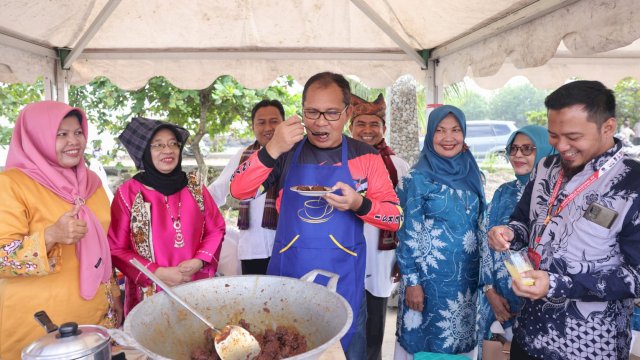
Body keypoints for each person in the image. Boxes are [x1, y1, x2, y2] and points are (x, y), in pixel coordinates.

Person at [229, 71, 402, 359]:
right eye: (312, 112)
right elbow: (240, 190)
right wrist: (271, 148)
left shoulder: (366, 156)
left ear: (347, 113)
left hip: (344, 281)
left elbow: (395, 216)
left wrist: (359, 203)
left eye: (331, 113)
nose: (320, 122)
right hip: (288, 279)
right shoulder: (285, 150)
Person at [488, 80, 640, 359]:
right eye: (553, 135)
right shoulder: (546, 167)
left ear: (608, 127)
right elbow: (524, 221)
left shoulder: (633, 183)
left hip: (589, 345)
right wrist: (509, 233)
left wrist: (558, 284)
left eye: (572, 136)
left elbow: (636, 276)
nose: (561, 146)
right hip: (530, 334)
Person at [0, 101, 122, 359]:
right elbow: (1, 259)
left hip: (94, 319)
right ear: (37, 137)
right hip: (40, 325)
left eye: (78, 132)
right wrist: (51, 236)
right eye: (61, 134)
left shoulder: (92, 184)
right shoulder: (12, 185)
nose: (74, 141)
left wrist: (114, 297)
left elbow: (104, 252)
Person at [108, 117, 225, 315]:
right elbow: (116, 249)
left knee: (197, 340)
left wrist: (199, 261)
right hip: (151, 292)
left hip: (196, 286)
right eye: (158, 145)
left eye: (173, 144)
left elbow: (216, 228)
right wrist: (156, 273)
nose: (168, 150)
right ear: (145, 151)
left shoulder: (195, 187)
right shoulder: (128, 193)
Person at [395, 105, 485, 359]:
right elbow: (405, 234)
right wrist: (412, 283)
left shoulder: (472, 173)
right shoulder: (416, 179)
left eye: (456, 130)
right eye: (440, 130)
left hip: (465, 285)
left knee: (460, 348)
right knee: (424, 346)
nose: (448, 138)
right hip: (427, 284)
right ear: (430, 135)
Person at [476, 125, 555, 358]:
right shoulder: (503, 192)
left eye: (528, 149)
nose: (518, 155)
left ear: (544, 151)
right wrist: (490, 292)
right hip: (499, 302)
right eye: (513, 149)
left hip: (542, 303)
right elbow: (485, 242)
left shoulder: (557, 196)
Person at [348, 93, 410, 360]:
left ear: (384, 129)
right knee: (344, 322)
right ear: (351, 127)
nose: (367, 130)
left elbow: (406, 217)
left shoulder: (399, 166)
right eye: (361, 123)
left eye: (374, 124)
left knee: (374, 326)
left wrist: (403, 259)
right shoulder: (341, 161)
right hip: (345, 252)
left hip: (382, 255)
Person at [208, 99, 284, 275]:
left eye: (274, 121)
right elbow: (217, 191)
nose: (268, 128)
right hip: (252, 248)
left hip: (286, 247)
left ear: (283, 124)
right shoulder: (243, 156)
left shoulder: (296, 155)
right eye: (261, 122)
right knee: (256, 300)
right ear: (253, 127)